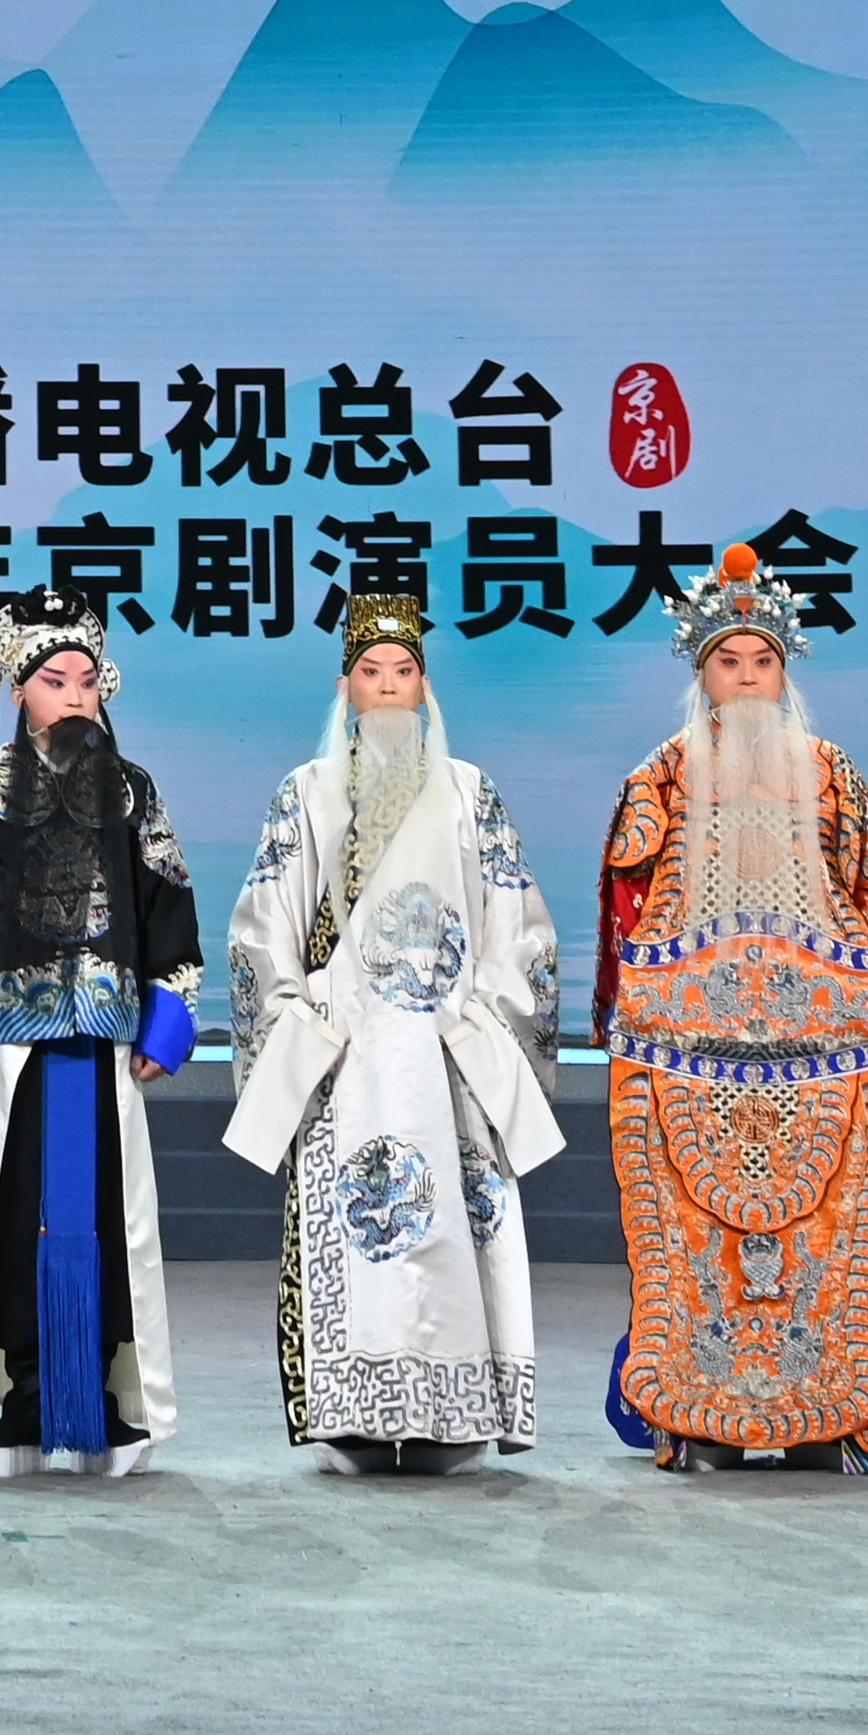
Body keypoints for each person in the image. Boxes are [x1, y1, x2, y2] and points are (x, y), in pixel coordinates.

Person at [223, 589, 565, 1472]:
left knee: (458, 1236)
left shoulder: (467, 792)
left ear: (425, 688)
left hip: (447, 1056)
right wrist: (297, 1021)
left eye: (402, 674)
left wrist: (486, 1019)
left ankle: (458, 1417)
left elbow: (518, 925)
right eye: (370, 675)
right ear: (345, 687)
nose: (386, 691)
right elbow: (263, 928)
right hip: (350, 1063)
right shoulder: (304, 794)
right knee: (357, 1240)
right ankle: (351, 1416)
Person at [598, 551, 868, 1474]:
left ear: (786, 672)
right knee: (694, 1252)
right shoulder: (658, 778)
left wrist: (865, 999)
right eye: (729, 659)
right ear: (701, 671)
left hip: (825, 1058)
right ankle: (698, 1416)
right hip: (685, 1060)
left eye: (762, 660)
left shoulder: (830, 773)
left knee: (832, 1248)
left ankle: (832, 1417)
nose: (746, 677)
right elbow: (628, 912)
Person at [0, 584, 201, 1477]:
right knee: (9, 1217)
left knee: (114, 1220)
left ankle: (101, 1396)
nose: (72, 695)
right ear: (18, 690)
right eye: (52, 680)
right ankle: (27, 1395)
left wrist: (169, 1019)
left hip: (105, 1047)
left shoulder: (134, 792)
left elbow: (172, 912)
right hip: (10, 1052)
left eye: (85, 680)